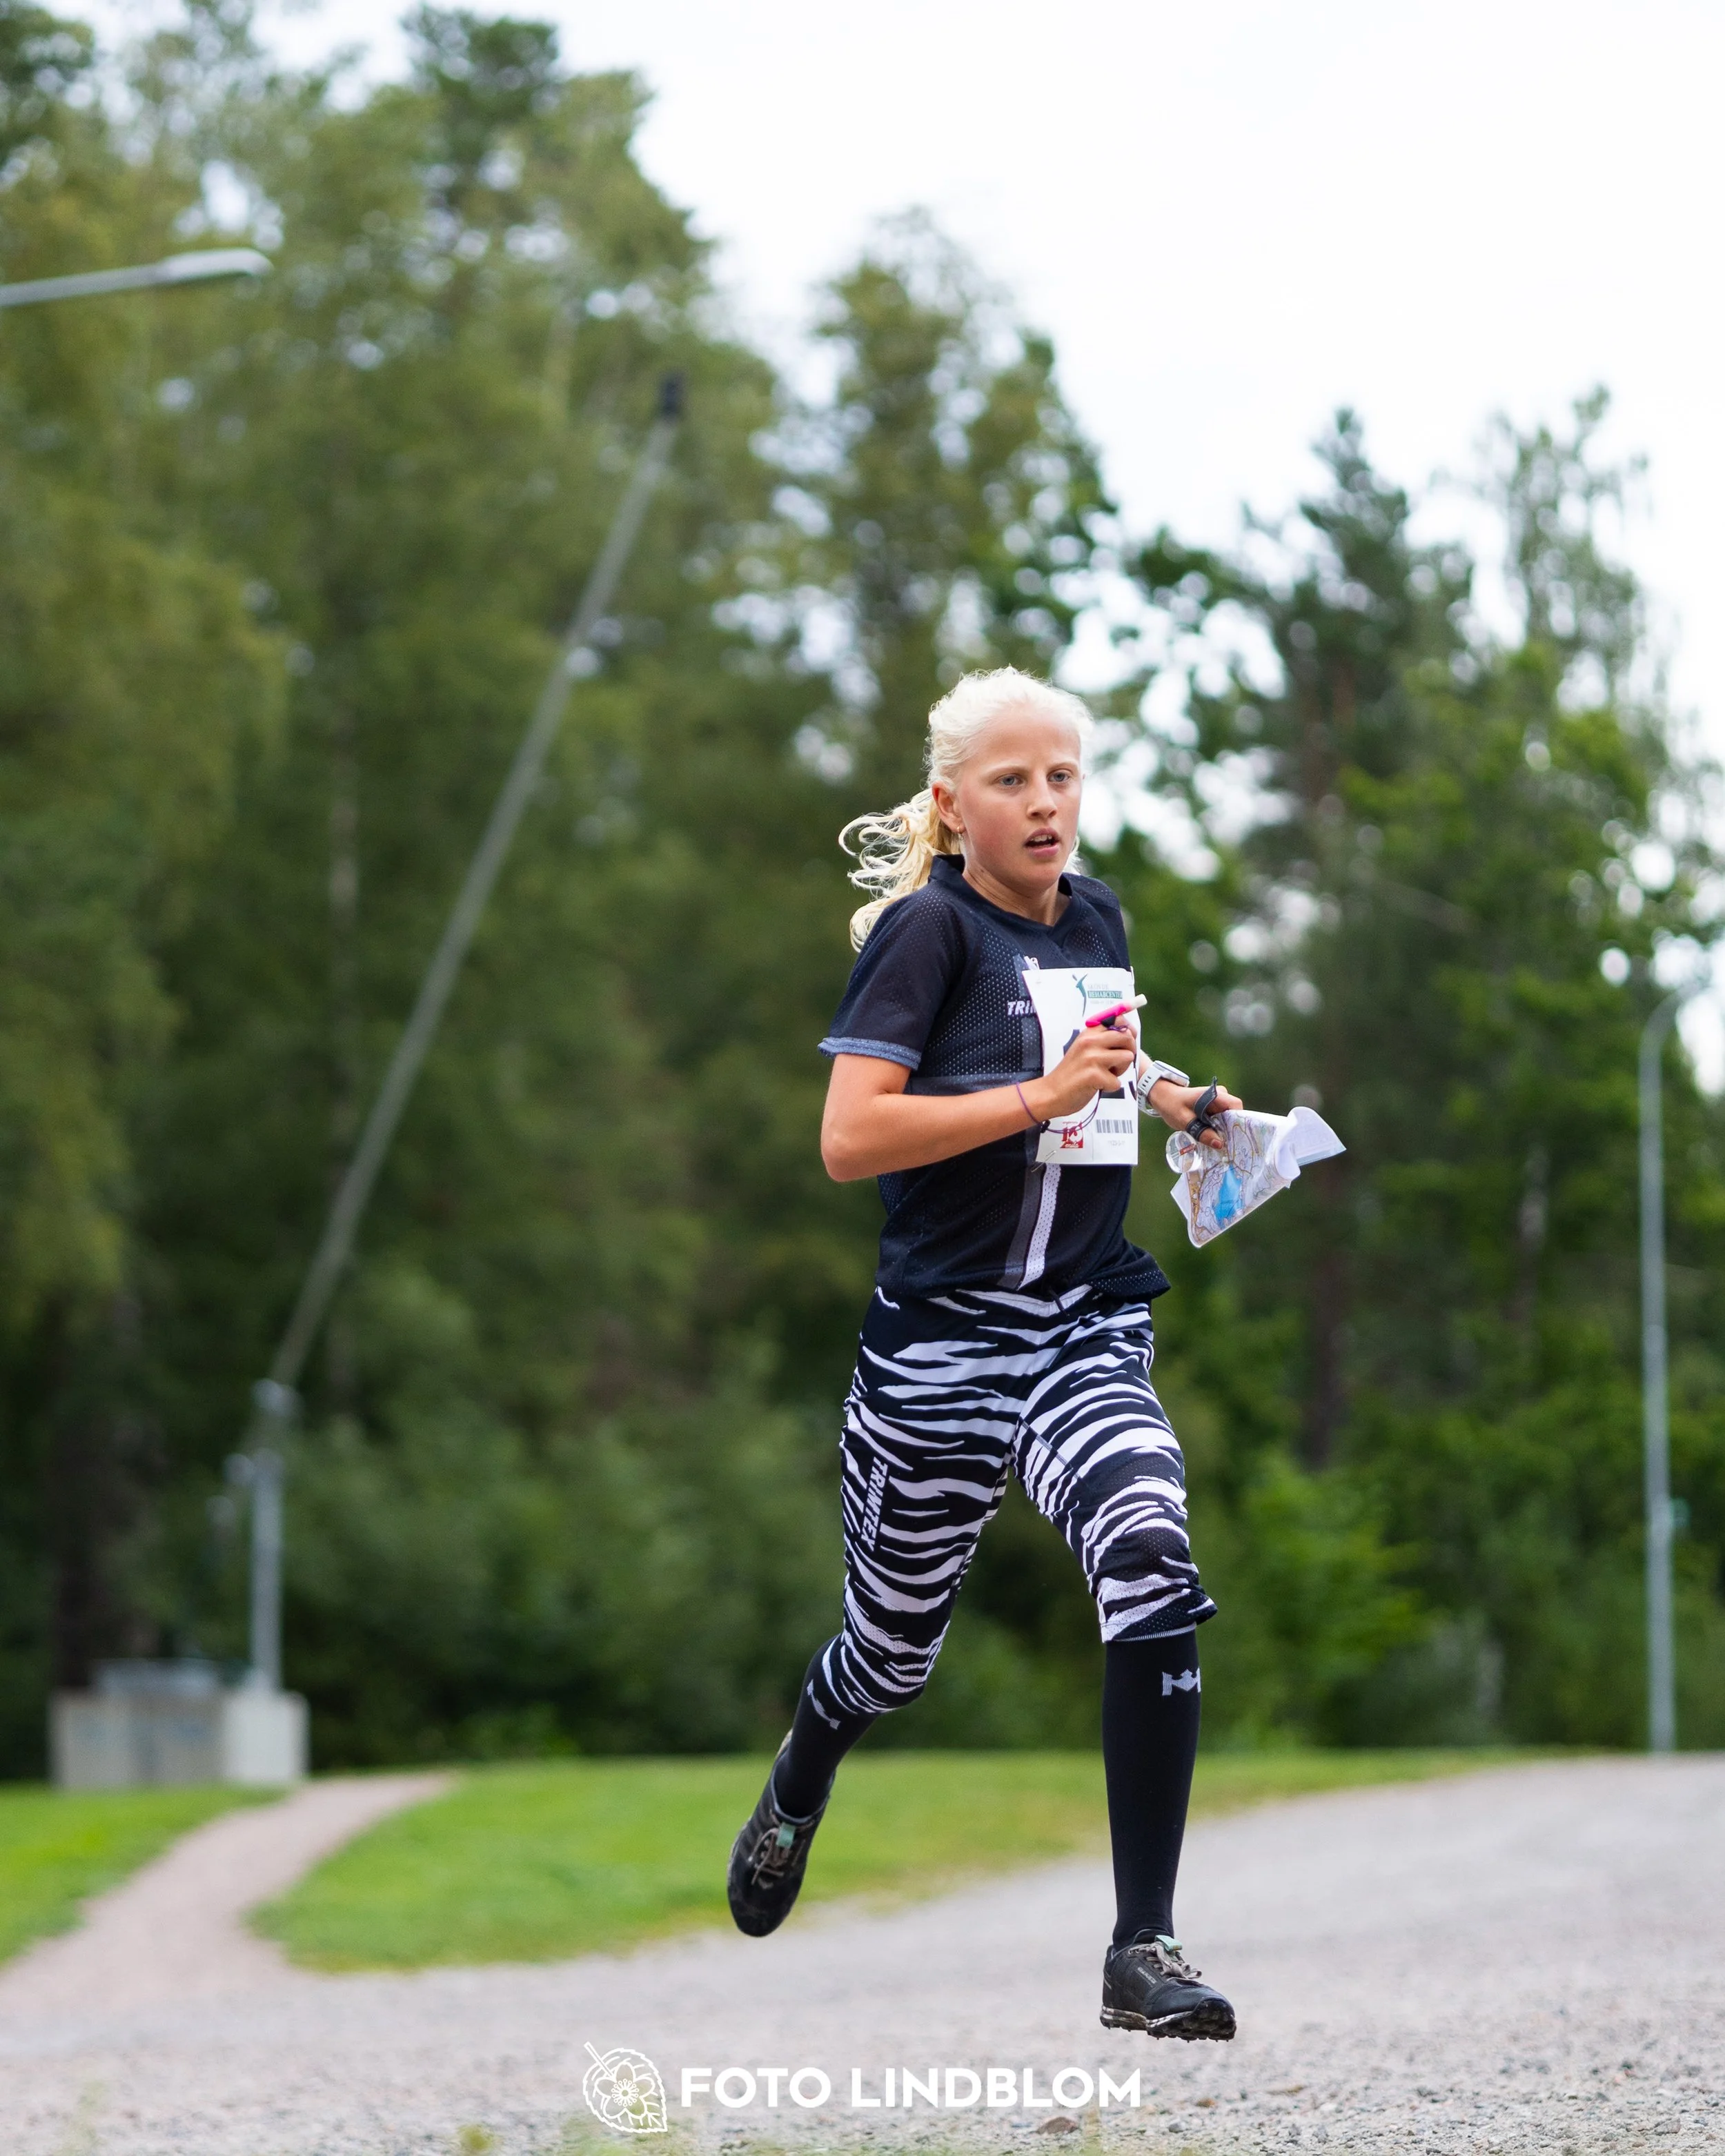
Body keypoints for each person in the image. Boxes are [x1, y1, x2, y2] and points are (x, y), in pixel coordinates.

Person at [726, 666, 1242, 2041]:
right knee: (890, 1655)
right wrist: (1034, 1099)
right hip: (940, 1346)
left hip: (1077, 1322)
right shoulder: (921, 933)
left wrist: (1173, 1096)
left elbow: (1098, 1066)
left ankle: (1142, 1943)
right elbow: (848, 1137)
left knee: (1148, 1545)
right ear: (952, 806)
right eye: (1011, 780)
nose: (1043, 803)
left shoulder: (1097, 918)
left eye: (1061, 775)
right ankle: (804, 1762)